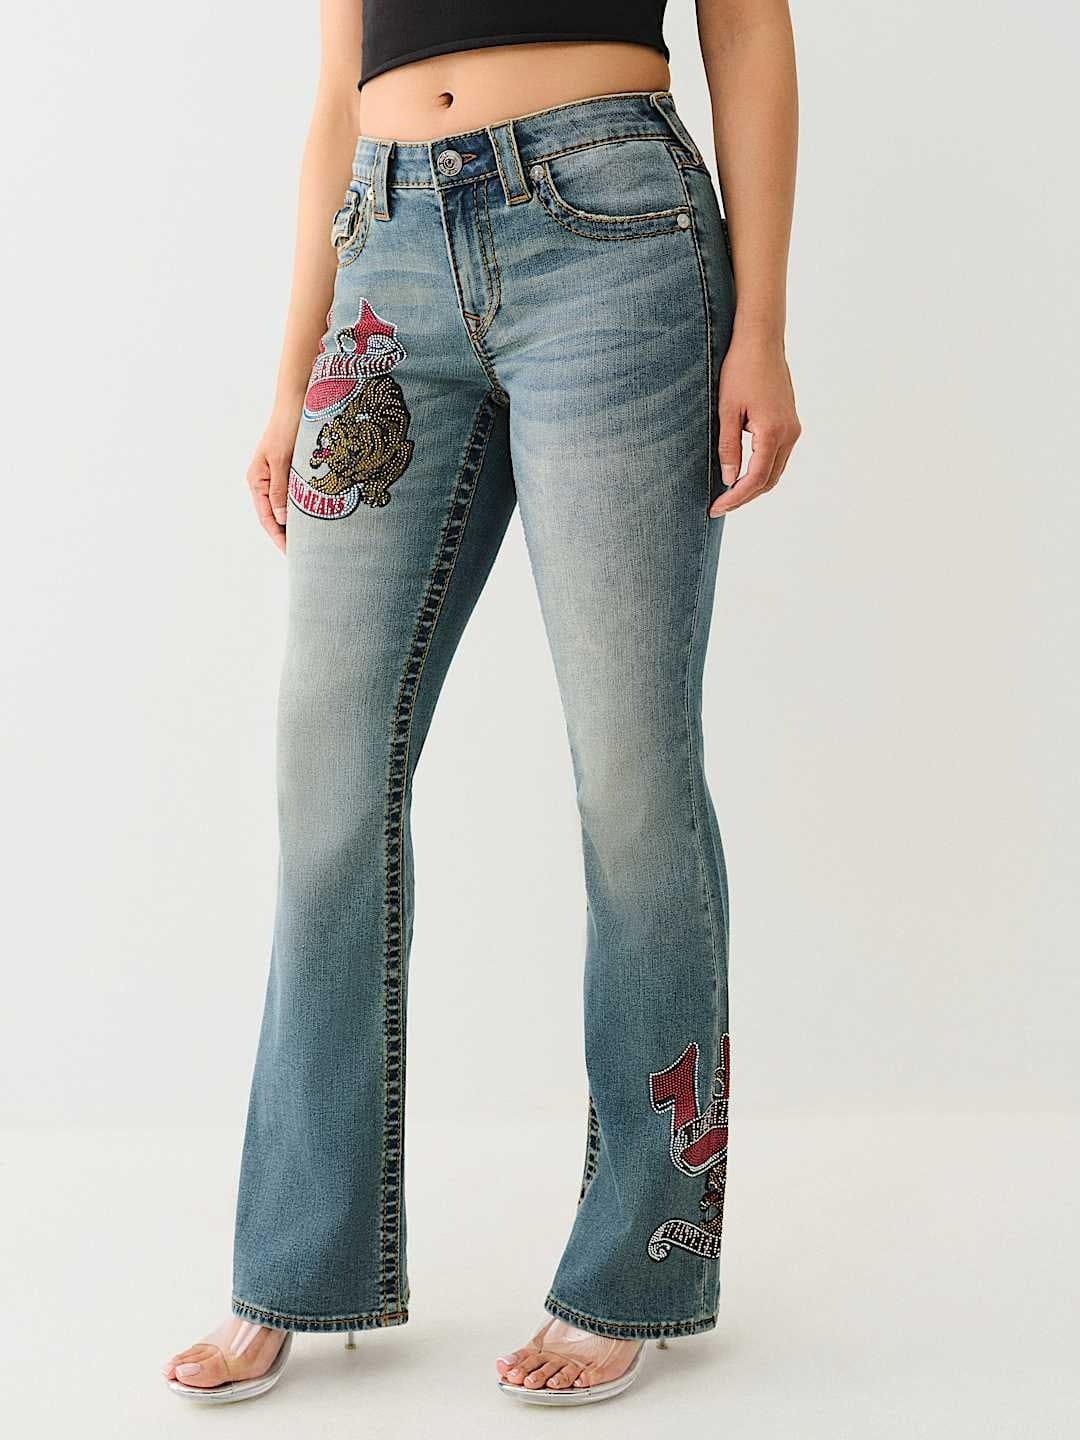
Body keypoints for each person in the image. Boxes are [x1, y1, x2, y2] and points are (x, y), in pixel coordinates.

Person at [162, 0, 800, 1407]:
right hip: (384, 257)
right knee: (326, 773)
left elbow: (749, 31)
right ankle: (296, 1264)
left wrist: (761, 325)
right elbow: (338, 88)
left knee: (632, 775)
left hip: (614, 240)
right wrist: (291, 375)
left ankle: (638, 1266)